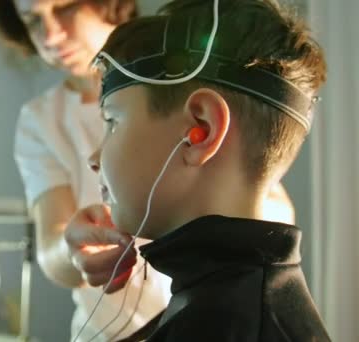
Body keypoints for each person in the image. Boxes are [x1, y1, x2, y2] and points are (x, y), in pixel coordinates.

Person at [0, 0, 296, 341]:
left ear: (202, 128)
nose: (50, 35)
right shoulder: (42, 120)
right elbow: (51, 247)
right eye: (32, 21)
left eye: (65, 8)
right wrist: (72, 250)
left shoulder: (192, 77)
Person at [81, 0, 330, 340]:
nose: (94, 157)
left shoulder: (228, 324)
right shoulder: (230, 300)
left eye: (112, 121)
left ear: (201, 129)